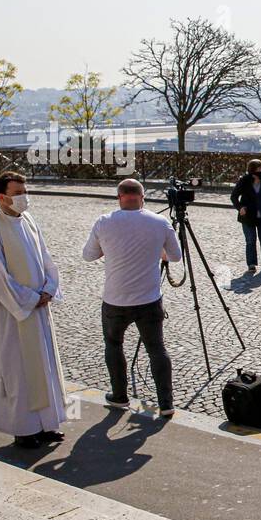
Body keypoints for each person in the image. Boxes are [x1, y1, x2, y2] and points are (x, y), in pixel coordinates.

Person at [0, 171, 68, 449]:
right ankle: (24, 429)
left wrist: (49, 288)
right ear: (2, 197)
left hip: (38, 308)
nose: (24, 198)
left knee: (45, 366)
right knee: (19, 370)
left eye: (25, 191)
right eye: (18, 193)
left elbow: (46, 258)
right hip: (14, 313)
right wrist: (28, 298)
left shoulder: (28, 221)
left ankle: (47, 424)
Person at [82, 177, 183, 416]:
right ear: (143, 197)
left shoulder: (104, 222)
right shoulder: (160, 222)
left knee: (114, 345)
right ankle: (166, 403)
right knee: (157, 349)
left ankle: (119, 395)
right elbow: (176, 256)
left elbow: (88, 255)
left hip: (115, 298)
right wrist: (156, 251)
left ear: (119, 197)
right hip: (149, 298)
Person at [230, 158, 261, 274]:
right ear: (252, 170)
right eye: (258, 169)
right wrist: (240, 207)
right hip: (248, 216)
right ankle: (251, 264)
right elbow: (234, 196)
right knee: (250, 240)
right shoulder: (244, 180)